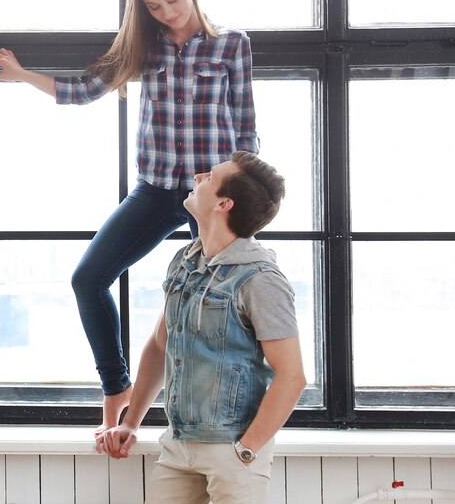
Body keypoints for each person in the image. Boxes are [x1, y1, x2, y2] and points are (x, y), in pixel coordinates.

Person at [0, 0, 259, 432]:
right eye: (155, 7)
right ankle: (117, 388)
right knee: (87, 280)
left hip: (209, 197)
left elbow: (246, 129)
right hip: (154, 190)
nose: (167, 13)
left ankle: (220, 409)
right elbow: (85, 90)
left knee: (225, 299)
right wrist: (23, 75)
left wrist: (237, 195)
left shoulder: (232, 45)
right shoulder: (142, 49)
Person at [95, 151, 306, 504]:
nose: (197, 178)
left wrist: (248, 450)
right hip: (178, 444)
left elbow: (293, 376)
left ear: (224, 203)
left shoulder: (261, 279)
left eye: (209, 177)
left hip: (234, 449)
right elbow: (160, 346)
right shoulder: (184, 261)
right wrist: (131, 423)